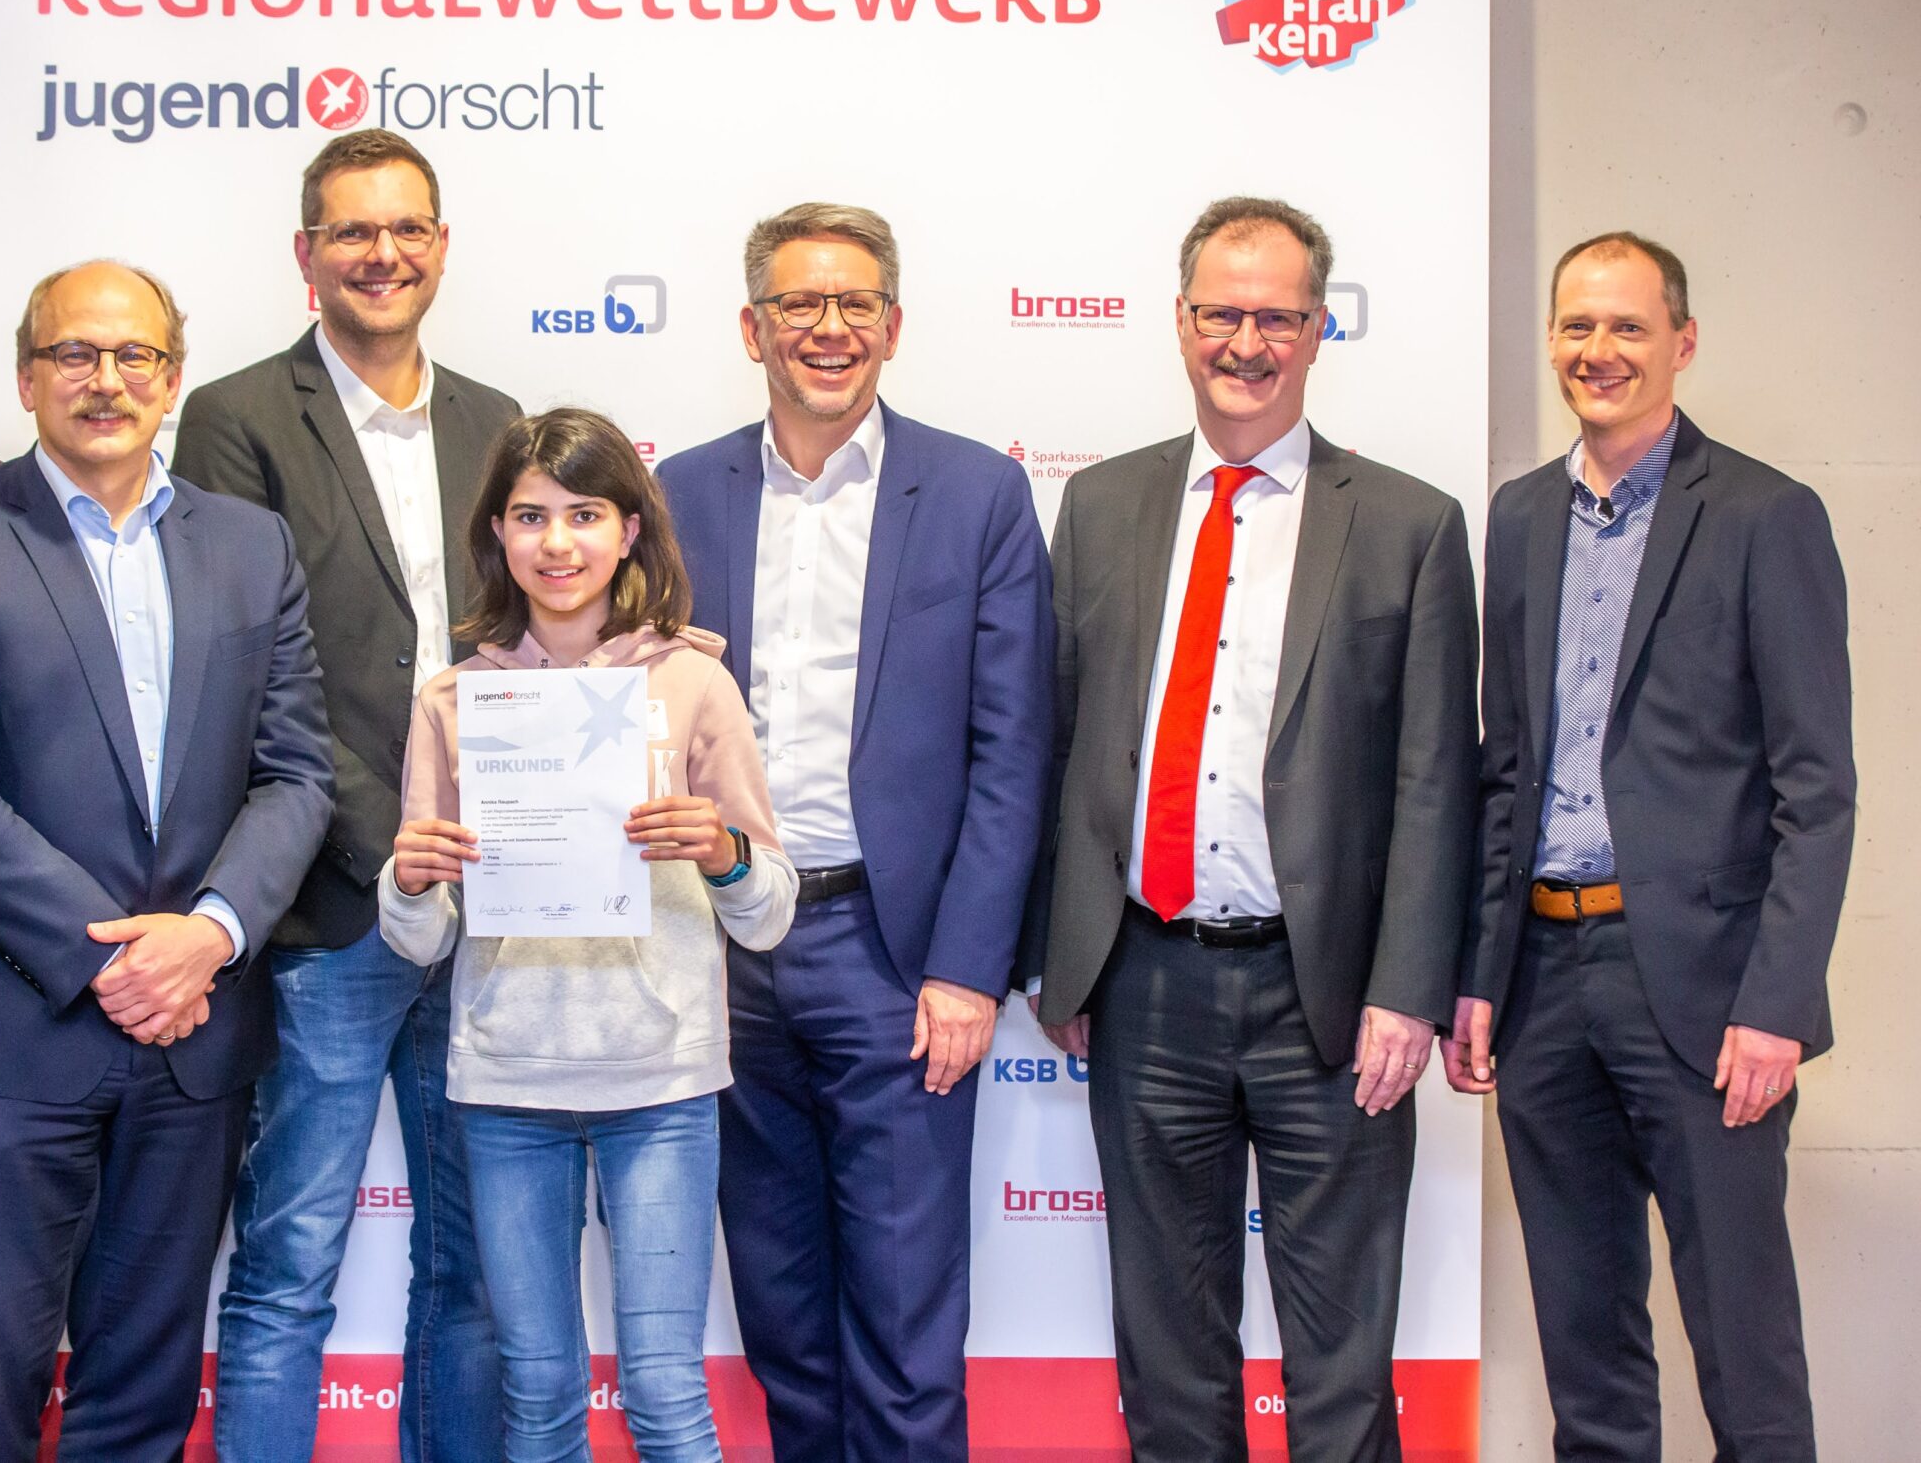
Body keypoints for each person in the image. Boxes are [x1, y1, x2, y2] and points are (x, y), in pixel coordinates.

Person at [1021, 196, 1477, 1463]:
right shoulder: (1102, 506)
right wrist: (1060, 953)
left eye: (1275, 316)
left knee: (1341, 1372)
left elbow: (1437, 782)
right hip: (1145, 981)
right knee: (1169, 1366)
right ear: (1178, 323)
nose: (1246, 341)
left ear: (1319, 329)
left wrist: (1408, 993)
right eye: (1221, 313)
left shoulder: (1408, 524)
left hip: (1330, 999)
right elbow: (1058, 742)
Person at [0, 260, 333, 1461]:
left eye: (135, 357)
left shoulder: (251, 544)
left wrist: (209, 936)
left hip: (192, 1045)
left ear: (172, 379)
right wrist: (124, 961)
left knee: (142, 1395)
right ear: (25, 376)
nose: (106, 380)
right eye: (75, 354)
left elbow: (296, 775)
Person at [1446, 231, 1854, 1462]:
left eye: (1627, 327)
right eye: (1576, 327)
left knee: (1743, 1344)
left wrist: (1775, 1006)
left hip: (1704, 991)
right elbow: (1504, 771)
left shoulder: (1765, 515)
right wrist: (1477, 974)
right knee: (1586, 1343)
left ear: (1681, 342)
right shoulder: (1520, 518)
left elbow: (1816, 790)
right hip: (1541, 987)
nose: (1597, 351)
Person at [657, 203, 1053, 1461]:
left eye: (853, 305)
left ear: (892, 325)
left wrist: (964, 968)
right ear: (750, 328)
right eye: (797, 306)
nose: (827, 329)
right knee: (780, 1312)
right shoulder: (677, 494)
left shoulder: (979, 491)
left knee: (904, 1322)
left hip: (896, 958)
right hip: (725, 953)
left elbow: (1012, 751)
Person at [172, 131, 512, 1460]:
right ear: (305, 252)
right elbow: (248, 665)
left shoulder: (497, 418)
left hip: (487, 908)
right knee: (289, 1261)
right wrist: (398, 849)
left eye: (408, 228)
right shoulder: (236, 419)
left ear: (441, 244)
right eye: (354, 231)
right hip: (330, 909)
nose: (384, 253)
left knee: (472, 1266)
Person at [380, 408, 796, 1462]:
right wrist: (409, 880)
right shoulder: (452, 699)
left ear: (628, 533)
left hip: (657, 1083)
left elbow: (770, 905)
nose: (556, 542)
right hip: (508, 1085)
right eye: (529, 517)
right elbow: (420, 939)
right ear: (497, 536)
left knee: (664, 1397)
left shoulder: (694, 683)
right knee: (538, 1395)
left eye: (583, 514)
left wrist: (722, 854)